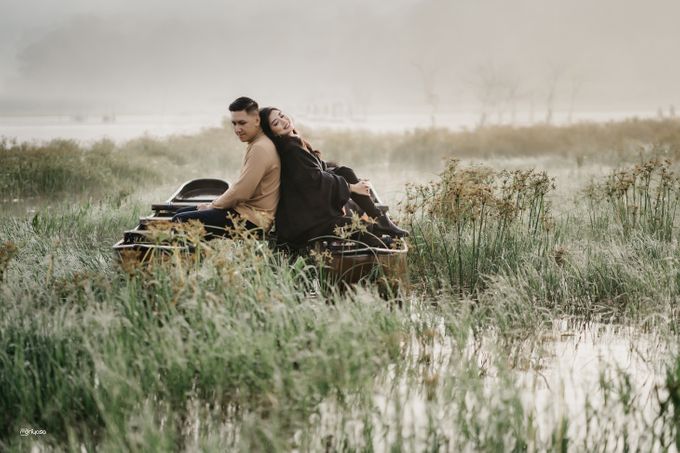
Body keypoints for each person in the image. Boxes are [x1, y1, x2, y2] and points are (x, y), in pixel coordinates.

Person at [258, 106, 408, 247]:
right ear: (272, 133)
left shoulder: (294, 142)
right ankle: (382, 241)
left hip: (310, 211)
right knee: (357, 226)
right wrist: (352, 187)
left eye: (282, 115)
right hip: (304, 224)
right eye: (276, 122)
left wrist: (342, 174)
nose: (284, 121)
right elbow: (315, 180)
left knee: (345, 171)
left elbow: (317, 168)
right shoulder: (290, 152)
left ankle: (380, 220)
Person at [172, 97, 280, 238]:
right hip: (244, 213)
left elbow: (242, 192)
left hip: (252, 221)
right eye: (234, 123)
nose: (237, 129)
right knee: (181, 213)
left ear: (257, 120)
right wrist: (213, 205)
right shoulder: (258, 143)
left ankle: (189, 258)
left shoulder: (260, 148)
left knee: (180, 220)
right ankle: (205, 254)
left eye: (242, 123)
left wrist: (212, 206)